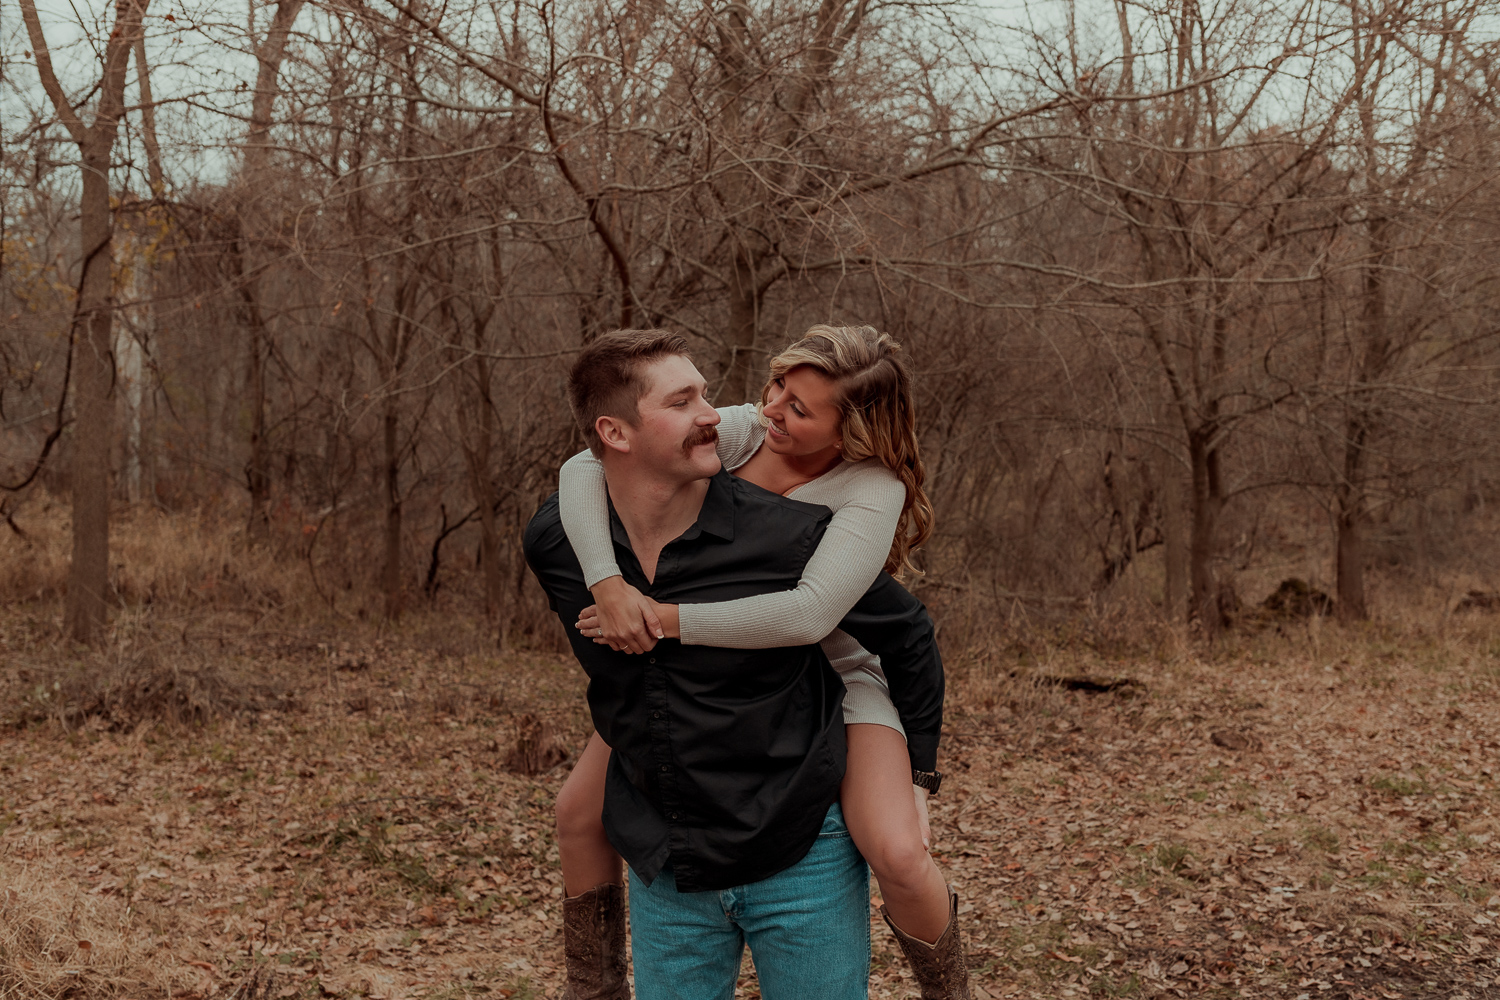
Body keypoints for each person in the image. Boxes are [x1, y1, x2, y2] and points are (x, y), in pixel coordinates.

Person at [523, 329, 948, 1000]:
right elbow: (586, 464)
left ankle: (949, 987)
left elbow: (816, 618)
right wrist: (608, 584)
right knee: (579, 811)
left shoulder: (869, 488)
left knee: (896, 848)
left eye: (801, 408)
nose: (774, 406)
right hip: (695, 665)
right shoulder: (743, 432)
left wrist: (656, 620)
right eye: (778, 385)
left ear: (851, 428)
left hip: (832, 658)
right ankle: (594, 985)